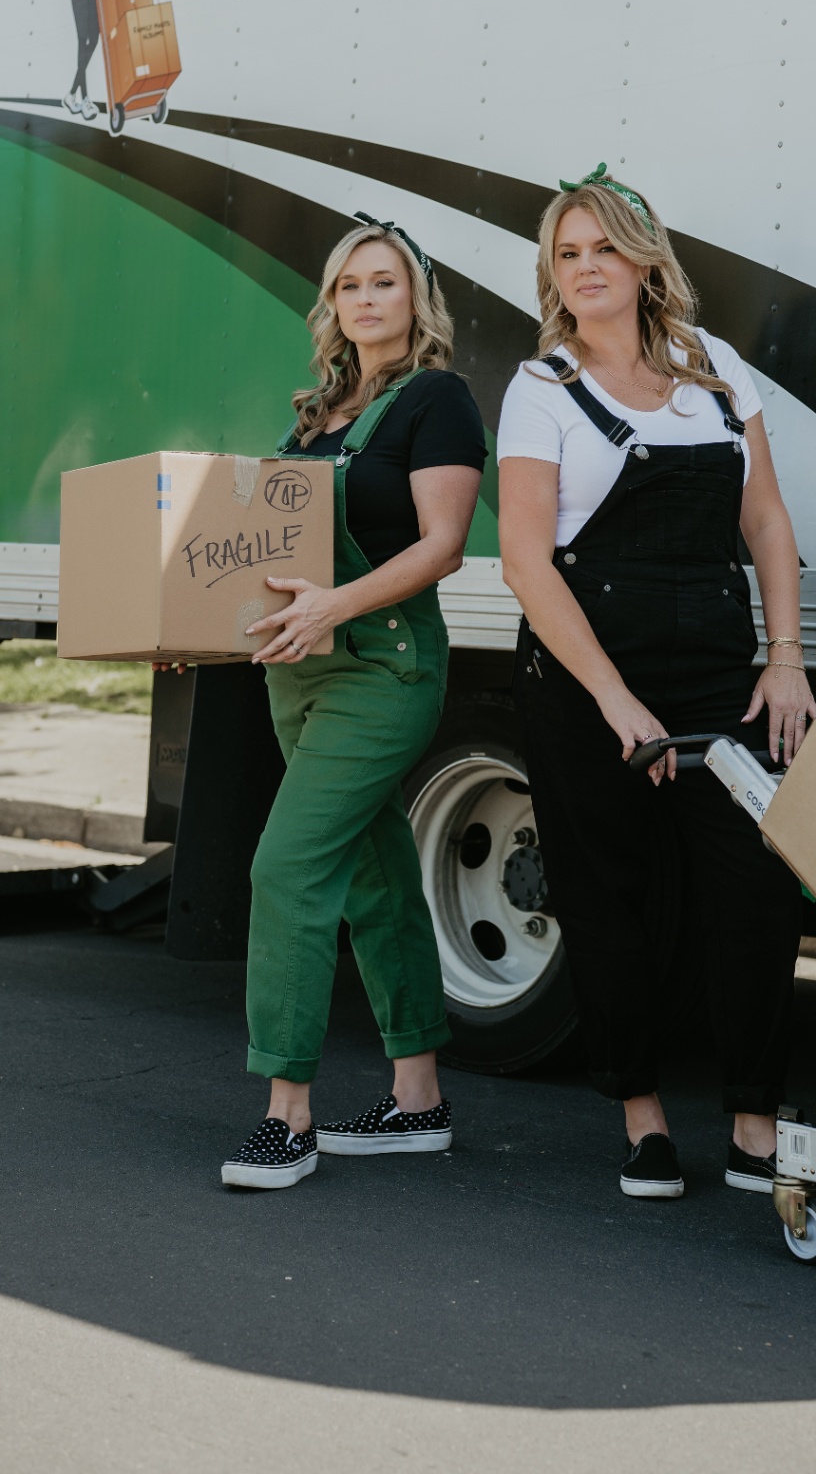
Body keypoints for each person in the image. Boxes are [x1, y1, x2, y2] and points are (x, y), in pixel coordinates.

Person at [497, 165, 816, 1202]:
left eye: (603, 248)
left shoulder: (716, 368)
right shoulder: (541, 388)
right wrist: (613, 697)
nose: (585, 268)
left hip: (720, 674)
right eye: (567, 253)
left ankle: (754, 1124)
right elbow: (524, 562)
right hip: (585, 679)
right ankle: (643, 1121)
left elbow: (764, 519)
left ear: (644, 262)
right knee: (611, 898)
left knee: (756, 889)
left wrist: (784, 658)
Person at [218, 214, 486, 1189]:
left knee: (286, 869)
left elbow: (442, 546)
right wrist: (188, 632)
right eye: (350, 285)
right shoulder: (315, 415)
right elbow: (265, 549)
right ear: (331, 303)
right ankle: (418, 1099)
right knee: (375, 877)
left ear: (415, 297)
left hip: (384, 671)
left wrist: (337, 604)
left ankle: (286, 1115)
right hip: (298, 675)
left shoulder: (437, 400)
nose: (367, 299)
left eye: (385, 281)